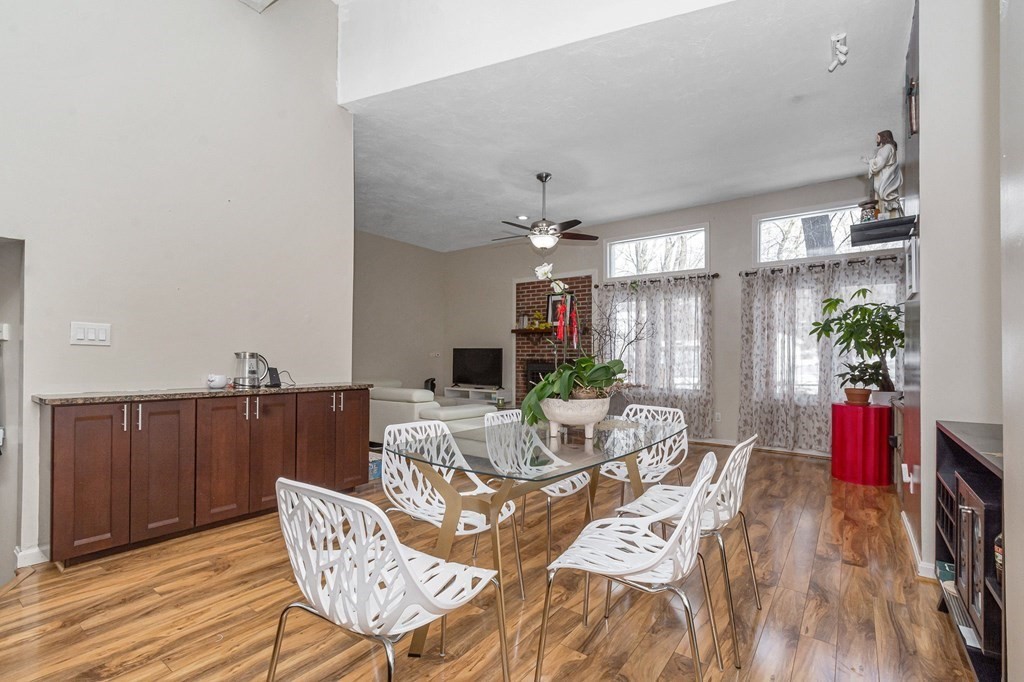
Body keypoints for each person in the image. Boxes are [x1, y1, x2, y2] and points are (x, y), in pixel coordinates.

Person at [865, 130, 903, 217]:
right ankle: (885, 215)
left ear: (883, 137)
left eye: (878, 138)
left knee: (886, 198)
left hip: (886, 179)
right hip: (885, 178)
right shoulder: (886, 148)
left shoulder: (887, 147)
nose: (876, 140)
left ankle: (890, 216)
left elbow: (880, 162)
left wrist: (869, 161)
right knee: (881, 201)